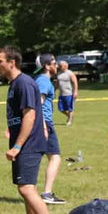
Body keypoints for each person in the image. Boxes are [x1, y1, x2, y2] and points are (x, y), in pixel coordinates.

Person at [0, 46, 58, 214]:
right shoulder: (15, 83)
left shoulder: (23, 82)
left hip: (29, 144)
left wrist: (17, 146)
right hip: (25, 141)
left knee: (26, 189)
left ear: (11, 62)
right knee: (25, 188)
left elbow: (30, 115)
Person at [36, 53, 66, 206]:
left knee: (51, 157)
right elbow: (38, 105)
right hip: (45, 123)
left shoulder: (43, 81)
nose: (57, 65)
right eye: (54, 63)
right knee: (55, 157)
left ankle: (44, 193)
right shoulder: (43, 82)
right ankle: (46, 193)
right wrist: (43, 127)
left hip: (44, 123)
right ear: (47, 66)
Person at [56, 59, 78, 126]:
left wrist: (75, 91)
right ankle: (70, 116)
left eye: (61, 66)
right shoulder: (59, 73)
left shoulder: (70, 73)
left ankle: (69, 121)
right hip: (61, 94)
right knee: (61, 109)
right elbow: (57, 83)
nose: (59, 67)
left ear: (65, 66)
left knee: (70, 108)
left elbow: (75, 82)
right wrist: (54, 89)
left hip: (69, 94)